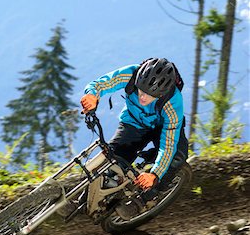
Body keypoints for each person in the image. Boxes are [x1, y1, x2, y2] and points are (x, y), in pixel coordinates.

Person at [80, 57, 189, 192]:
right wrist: (92, 95)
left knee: (177, 158)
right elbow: (101, 84)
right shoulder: (131, 74)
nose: (142, 97)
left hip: (162, 128)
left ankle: (149, 196)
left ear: (161, 95)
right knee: (113, 161)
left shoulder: (173, 102)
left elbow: (169, 144)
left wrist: (155, 174)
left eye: (149, 95)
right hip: (133, 123)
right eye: (141, 91)